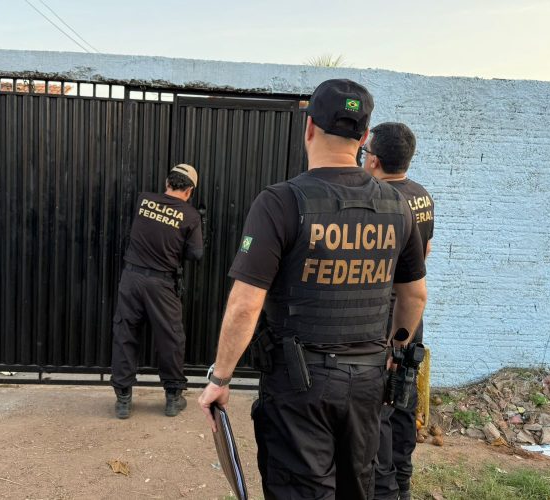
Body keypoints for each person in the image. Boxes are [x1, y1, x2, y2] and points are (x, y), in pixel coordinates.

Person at [197, 79, 428, 499]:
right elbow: (414, 296)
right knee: (356, 487)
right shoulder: (399, 207)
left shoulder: (281, 202)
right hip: (369, 382)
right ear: (363, 138)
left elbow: (247, 305)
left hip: (300, 385)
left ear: (309, 128)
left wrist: (221, 376)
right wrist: (394, 353)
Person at [363, 123, 434, 500]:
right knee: (404, 393)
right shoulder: (422, 196)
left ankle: (387, 486)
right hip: (413, 309)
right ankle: (404, 480)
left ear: (373, 160)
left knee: (383, 404)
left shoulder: (381, 200)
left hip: (388, 312)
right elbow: (426, 254)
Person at [111, 164, 203, 419]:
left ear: (167, 182)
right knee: (170, 337)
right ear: (190, 190)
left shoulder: (144, 200)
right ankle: (173, 398)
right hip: (161, 284)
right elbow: (196, 254)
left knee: (125, 333)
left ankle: (123, 401)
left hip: (131, 278)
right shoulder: (191, 216)